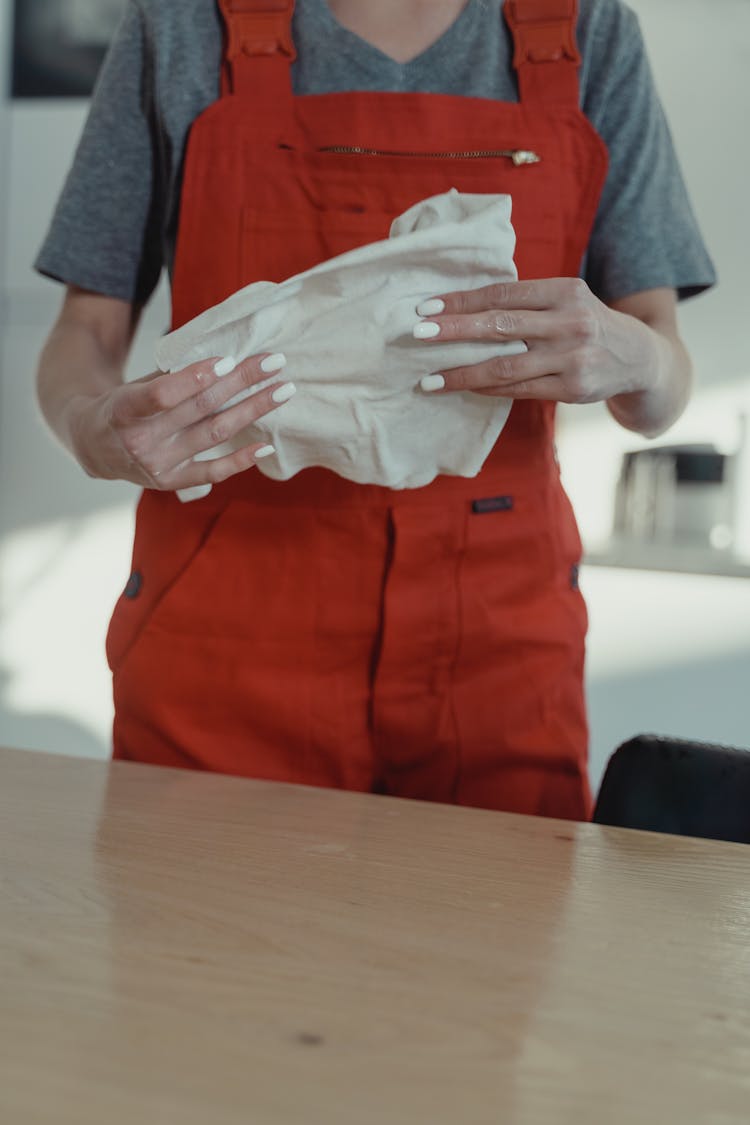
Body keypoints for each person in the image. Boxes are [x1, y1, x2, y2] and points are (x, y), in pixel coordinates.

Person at [34, 0, 716, 820]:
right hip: (225, 622)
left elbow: (659, 384)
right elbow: (85, 329)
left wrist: (638, 356)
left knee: (499, 939)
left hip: (496, 638)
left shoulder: (587, 31)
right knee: (199, 942)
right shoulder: (180, 27)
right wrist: (88, 427)